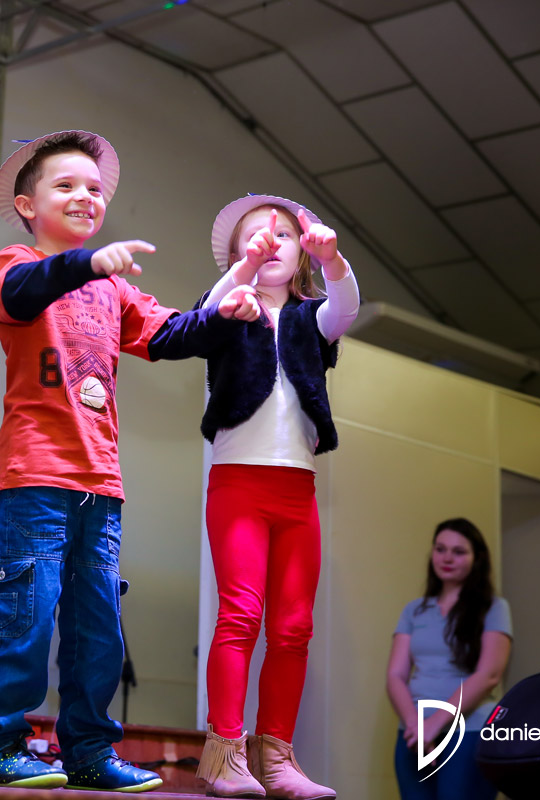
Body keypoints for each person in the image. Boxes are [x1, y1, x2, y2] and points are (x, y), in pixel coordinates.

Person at [0, 130, 261, 792]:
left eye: (94, 189)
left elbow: (171, 332)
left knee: (98, 627)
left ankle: (90, 751)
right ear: (27, 205)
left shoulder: (113, 289)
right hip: (35, 477)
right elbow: (23, 293)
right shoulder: (18, 263)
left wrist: (224, 315)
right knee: (25, 615)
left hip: (100, 484)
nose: (85, 197)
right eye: (66, 185)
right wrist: (88, 263)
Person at [195, 194, 357, 800]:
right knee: (240, 614)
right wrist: (242, 271)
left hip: (297, 490)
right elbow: (205, 316)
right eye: (254, 237)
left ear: (303, 253)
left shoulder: (314, 318)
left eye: (283, 235)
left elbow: (346, 308)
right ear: (235, 255)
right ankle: (224, 753)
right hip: (238, 484)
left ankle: (277, 759)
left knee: (293, 627)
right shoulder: (228, 305)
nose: (269, 242)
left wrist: (334, 259)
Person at [386, 519, 512, 800]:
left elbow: (489, 675)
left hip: (470, 730)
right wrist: (415, 725)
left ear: (477, 558)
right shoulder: (414, 610)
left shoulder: (494, 607)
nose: (447, 558)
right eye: (440, 549)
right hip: (413, 733)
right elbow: (395, 675)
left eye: (458, 551)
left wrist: (435, 724)